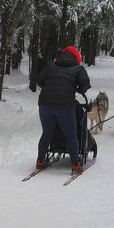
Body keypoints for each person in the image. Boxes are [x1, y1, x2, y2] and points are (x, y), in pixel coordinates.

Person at [35, 45, 90, 173]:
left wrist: (49, 85)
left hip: (45, 104)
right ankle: (75, 165)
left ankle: (40, 161)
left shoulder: (51, 66)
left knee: (46, 133)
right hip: (65, 105)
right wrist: (78, 89)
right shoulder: (78, 69)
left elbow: (39, 80)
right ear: (76, 58)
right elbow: (84, 84)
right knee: (71, 135)